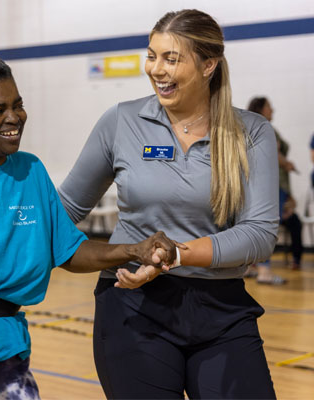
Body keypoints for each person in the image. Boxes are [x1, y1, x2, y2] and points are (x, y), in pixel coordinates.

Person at [0, 53, 181, 400]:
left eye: (17, 105)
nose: (14, 118)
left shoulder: (30, 170)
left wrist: (133, 250)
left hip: (9, 351)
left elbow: (67, 250)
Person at [58, 9, 278, 399]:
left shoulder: (252, 132)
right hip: (132, 305)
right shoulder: (121, 122)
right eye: (151, 55)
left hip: (221, 308)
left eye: (171, 59)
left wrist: (176, 255)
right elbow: (65, 210)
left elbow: (259, 234)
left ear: (209, 64)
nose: (155, 69)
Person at [247, 97, 302, 272]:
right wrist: (286, 163)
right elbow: (271, 152)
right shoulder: (263, 128)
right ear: (261, 109)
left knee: (252, 224)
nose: (273, 110)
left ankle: (248, 268)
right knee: (266, 226)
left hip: (266, 185)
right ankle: (264, 270)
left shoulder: (251, 127)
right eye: (269, 107)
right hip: (270, 185)